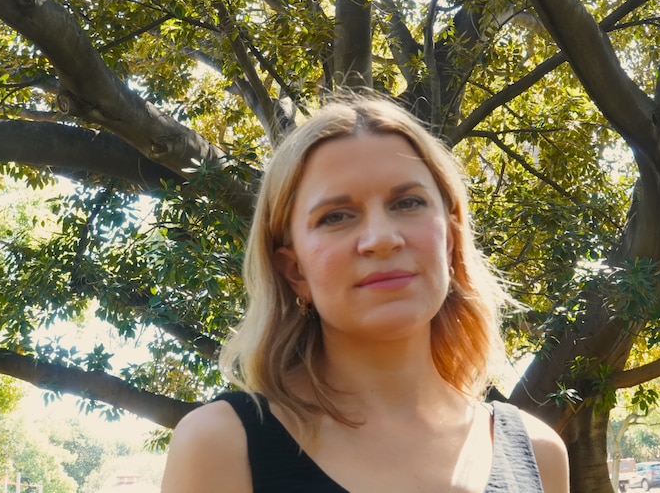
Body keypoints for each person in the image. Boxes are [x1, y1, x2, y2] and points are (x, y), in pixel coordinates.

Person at [161, 96, 569, 493]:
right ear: (294, 269)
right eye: (336, 216)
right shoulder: (220, 445)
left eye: (408, 203)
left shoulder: (538, 452)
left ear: (450, 241)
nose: (382, 239)